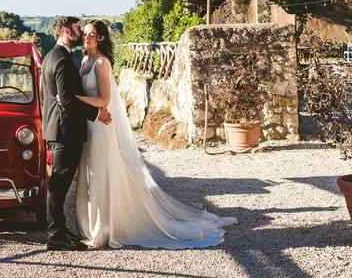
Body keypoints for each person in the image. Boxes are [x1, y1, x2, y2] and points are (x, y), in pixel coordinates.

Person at [73, 20, 237, 249]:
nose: (87, 38)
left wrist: (75, 100)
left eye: (92, 34)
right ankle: (90, 225)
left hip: (101, 127)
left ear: (100, 37)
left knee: (101, 173)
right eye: (85, 34)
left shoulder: (101, 63)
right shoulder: (84, 60)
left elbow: (104, 100)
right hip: (88, 125)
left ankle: (104, 229)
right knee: (90, 173)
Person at [41, 15, 112, 251]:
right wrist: (96, 114)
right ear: (65, 31)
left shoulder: (53, 55)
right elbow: (67, 102)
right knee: (58, 184)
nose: (80, 33)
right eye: (76, 28)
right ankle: (56, 235)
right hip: (65, 130)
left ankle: (60, 231)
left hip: (61, 129)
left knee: (59, 183)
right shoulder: (61, 60)